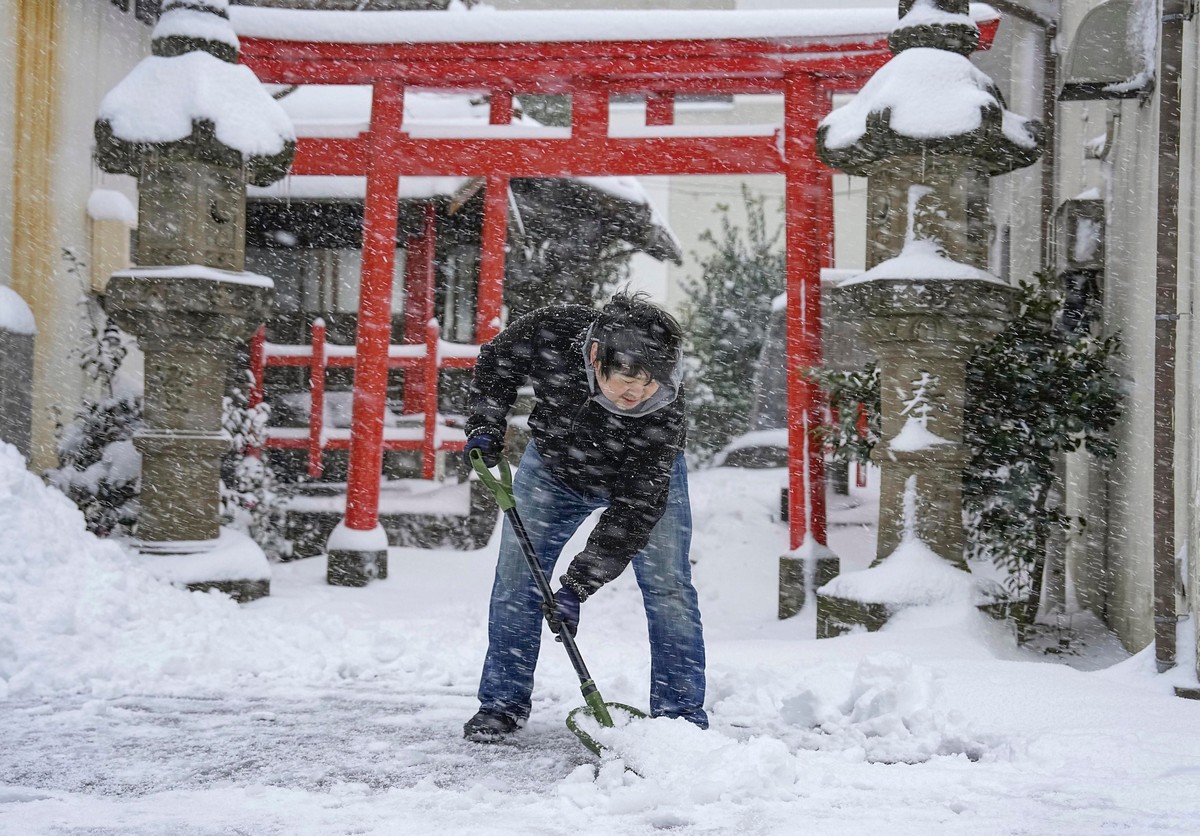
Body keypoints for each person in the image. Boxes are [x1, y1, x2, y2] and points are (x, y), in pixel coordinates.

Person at [462, 291, 707, 741]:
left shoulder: (664, 415)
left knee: (669, 588)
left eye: (650, 383)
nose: (637, 393)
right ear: (596, 356)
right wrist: (485, 423)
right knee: (516, 581)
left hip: (638, 480)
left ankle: (680, 719)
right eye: (626, 380)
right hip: (553, 470)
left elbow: (636, 510)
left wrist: (577, 586)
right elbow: (497, 362)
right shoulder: (553, 329)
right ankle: (502, 704)